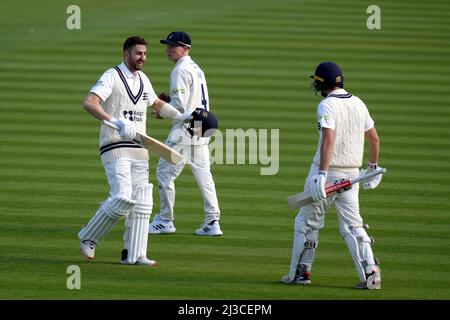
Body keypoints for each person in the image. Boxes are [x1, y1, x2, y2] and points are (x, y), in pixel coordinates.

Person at [77, 36, 192, 265]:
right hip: (115, 145)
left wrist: (180, 116)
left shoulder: (143, 79)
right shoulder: (112, 75)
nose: (142, 58)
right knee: (122, 197)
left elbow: (157, 105)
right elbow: (89, 102)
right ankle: (89, 236)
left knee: (142, 203)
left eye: (145, 54)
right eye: (138, 53)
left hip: (140, 147)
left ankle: (135, 253)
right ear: (126, 54)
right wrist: (115, 121)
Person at [281, 61, 383, 289]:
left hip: (326, 173)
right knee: (353, 225)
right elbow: (375, 139)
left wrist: (322, 173)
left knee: (307, 223)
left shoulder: (327, 105)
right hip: (352, 175)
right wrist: (373, 168)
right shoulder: (358, 103)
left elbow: (328, 138)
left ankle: (300, 273)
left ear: (322, 84)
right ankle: (371, 273)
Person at [148, 31, 222, 236]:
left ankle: (164, 220)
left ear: (186, 48)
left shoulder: (180, 70)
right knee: (204, 175)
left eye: (173, 46)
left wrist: (163, 109)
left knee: (164, 173)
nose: (168, 49)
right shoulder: (196, 67)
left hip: (185, 130)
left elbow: (179, 107)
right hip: (201, 128)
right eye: (168, 45)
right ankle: (212, 221)